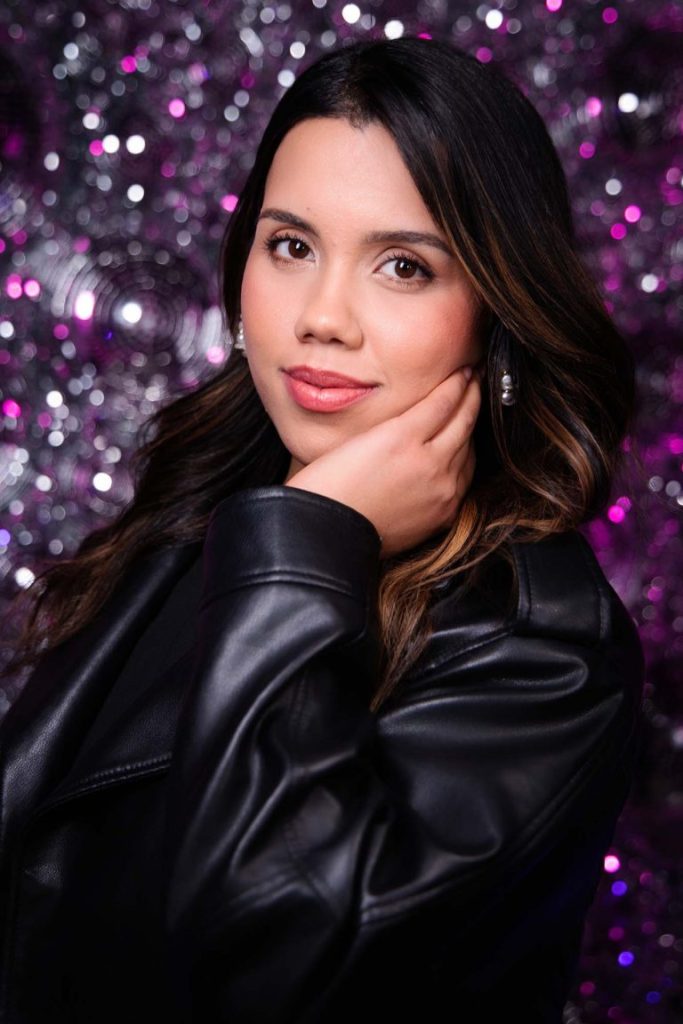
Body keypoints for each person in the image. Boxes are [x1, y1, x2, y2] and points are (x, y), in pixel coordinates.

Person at [0, 34, 644, 1024]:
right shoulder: (207, 509)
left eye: (402, 265)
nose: (322, 317)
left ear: (498, 307)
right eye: (291, 247)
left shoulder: (545, 647)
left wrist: (313, 541)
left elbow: (273, 968)